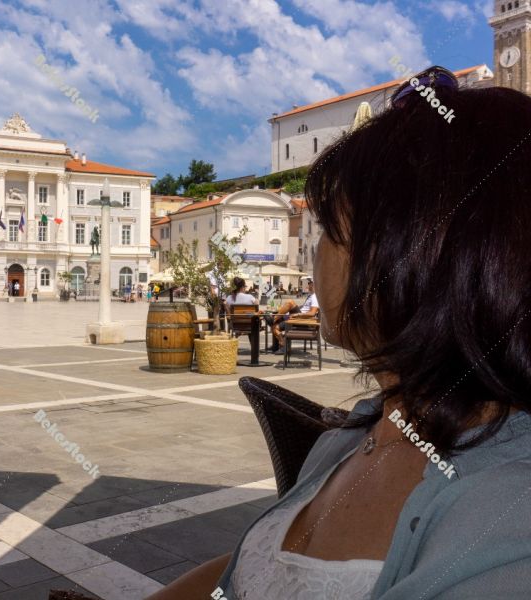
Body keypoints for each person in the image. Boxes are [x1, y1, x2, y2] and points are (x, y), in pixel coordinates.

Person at [147, 68, 531, 600]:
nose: (316, 253)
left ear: (410, 254)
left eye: (330, 229)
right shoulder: (351, 437)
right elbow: (250, 568)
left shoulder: (507, 516)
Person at [264, 278, 320, 353]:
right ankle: (278, 345)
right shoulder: (311, 296)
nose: (309, 285)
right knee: (274, 326)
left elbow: (312, 313)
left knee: (290, 302)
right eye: (309, 283)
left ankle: (274, 319)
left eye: (311, 284)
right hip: (298, 318)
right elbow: (305, 308)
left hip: (303, 320)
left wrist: (297, 314)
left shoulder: (315, 297)